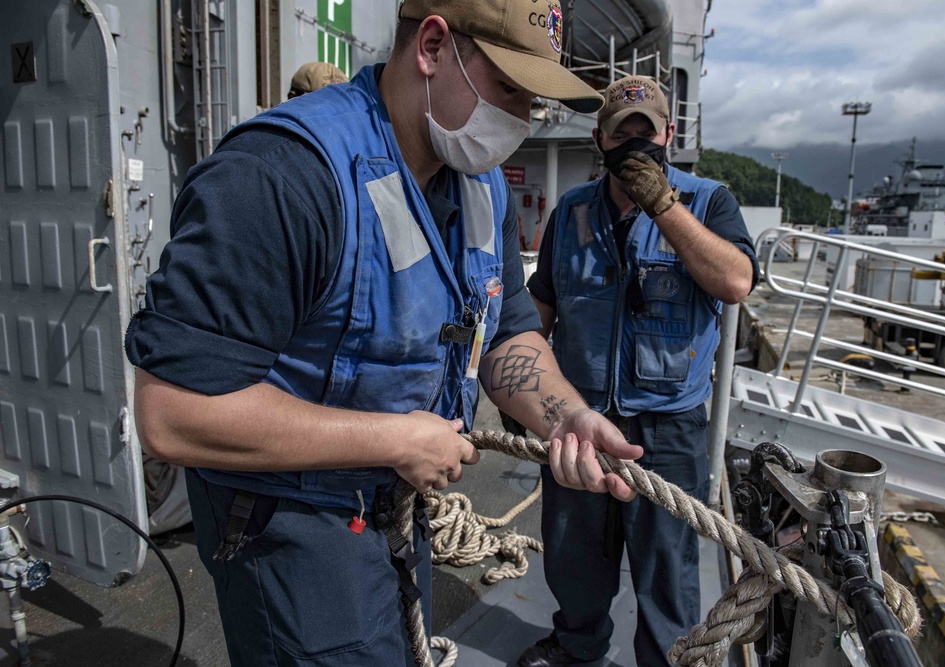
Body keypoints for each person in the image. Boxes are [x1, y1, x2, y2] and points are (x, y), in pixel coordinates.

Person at [125, 0, 646, 664]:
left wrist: (565, 413)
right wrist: (395, 439)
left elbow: (508, 331)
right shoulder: (281, 177)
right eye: (510, 89)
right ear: (431, 46)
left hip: (398, 504)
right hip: (293, 529)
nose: (521, 119)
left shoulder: (480, 184)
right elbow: (173, 411)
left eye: (535, 103)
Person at [517, 75, 759, 666]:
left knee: (667, 570)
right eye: (620, 133)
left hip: (668, 429)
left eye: (644, 132)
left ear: (667, 136)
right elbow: (541, 302)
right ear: (599, 139)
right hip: (580, 415)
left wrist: (663, 206)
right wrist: (522, 386)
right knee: (573, 555)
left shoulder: (708, 202)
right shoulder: (573, 210)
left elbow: (734, 281)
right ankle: (578, 647)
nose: (633, 143)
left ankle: (666, 659)